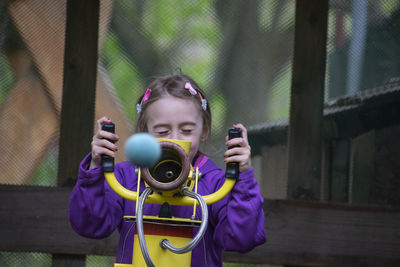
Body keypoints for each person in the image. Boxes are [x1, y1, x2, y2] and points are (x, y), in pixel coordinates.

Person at [68, 74, 266, 266]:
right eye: (162, 131)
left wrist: (244, 178)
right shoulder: (125, 177)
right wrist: (95, 169)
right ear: (145, 131)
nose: (175, 139)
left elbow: (241, 239)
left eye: (187, 131)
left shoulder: (216, 183)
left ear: (204, 130)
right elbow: (90, 225)